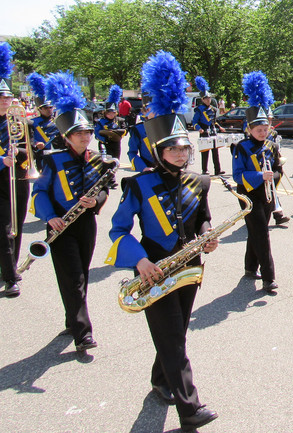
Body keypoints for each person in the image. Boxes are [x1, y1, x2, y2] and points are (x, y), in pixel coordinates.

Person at [106, 51, 218, 431]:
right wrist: (139, 262)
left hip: (189, 268)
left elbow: (202, 219)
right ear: (157, 150)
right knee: (173, 339)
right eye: (172, 148)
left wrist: (206, 236)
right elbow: (118, 231)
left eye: (184, 147)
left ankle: (159, 380)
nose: (181, 154)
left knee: (176, 332)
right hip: (154, 269)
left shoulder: (199, 182)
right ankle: (190, 409)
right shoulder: (138, 185)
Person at [32, 71, 115, 352]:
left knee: (81, 274)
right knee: (73, 277)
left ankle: (72, 319)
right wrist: (49, 217)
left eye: (88, 132)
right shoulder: (53, 162)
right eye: (79, 133)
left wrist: (98, 201)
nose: (85, 137)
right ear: (67, 137)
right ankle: (83, 333)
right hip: (60, 225)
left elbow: (104, 189)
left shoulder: (96, 160)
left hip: (85, 224)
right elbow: (40, 193)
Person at [233, 71, 280, 291]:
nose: (262, 132)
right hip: (248, 195)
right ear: (249, 129)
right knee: (262, 233)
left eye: (265, 129)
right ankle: (268, 278)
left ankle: (250, 267)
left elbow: (278, 169)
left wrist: (273, 179)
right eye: (258, 130)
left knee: (256, 231)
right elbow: (237, 175)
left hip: (267, 194)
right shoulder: (241, 147)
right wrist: (260, 176)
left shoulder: (272, 145)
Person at [0, 43, 29, 298]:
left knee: (16, 225)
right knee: (4, 227)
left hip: (18, 178)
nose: (5, 101)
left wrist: (18, 154)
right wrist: (2, 160)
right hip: (0, 177)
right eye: (1, 98)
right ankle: (10, 278)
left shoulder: (19, 120)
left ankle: (9, 266)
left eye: (8, 97)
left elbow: (30, 150)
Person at [192, 76, 226, 175]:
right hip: (204, 131)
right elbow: (194, 122)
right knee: (205, 152)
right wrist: (199, 129)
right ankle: (205, 170)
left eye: (209, 98)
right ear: (202, 99)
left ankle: (217, 169)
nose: (208, 100)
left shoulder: (213, 109)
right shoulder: (199, 110)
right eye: (206, 99)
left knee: (215, 151)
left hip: (212, 131)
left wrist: (219, 127)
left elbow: (213, 121)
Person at [26, 72, 59, 172]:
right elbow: (29, 139)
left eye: (50, 107)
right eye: (45, 108)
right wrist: (36, 143)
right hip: (42, 154)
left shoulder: (58, 121)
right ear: (39, 110)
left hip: (57, 152)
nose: (49, 110)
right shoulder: (32, 122)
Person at [94, 85, 125, 160]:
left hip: (116, 143)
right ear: (105, 113)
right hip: (105, 144)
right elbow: (97, 133)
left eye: (113, 113)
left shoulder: (119, 120)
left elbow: (124, 130)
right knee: (107, 161)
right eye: (109, 113)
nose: (111, 115)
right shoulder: (101, 122)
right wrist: (104, 139)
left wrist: (118, 134)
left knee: (116, 160)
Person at [127, 95, 156, 172]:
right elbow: (132, 153)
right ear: (146, 110)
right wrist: (143, 168)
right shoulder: (138, 129)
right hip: (149, 169)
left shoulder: (170, 126)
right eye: (154, 108)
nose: (157, 112)